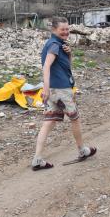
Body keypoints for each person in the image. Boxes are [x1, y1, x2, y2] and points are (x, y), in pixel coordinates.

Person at [31, 17, 97, 171]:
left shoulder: (57, 44)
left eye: (67, 29)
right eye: (63, 29)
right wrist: (45, 88)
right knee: (75, 119)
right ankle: (82, 150)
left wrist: (69, 54)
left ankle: (37, 159)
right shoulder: (54, 44)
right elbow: (46, 66)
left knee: (48, 123)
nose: (66, 32)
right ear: (54, 30)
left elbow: (65, 67)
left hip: (54, 91)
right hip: (61, 90)